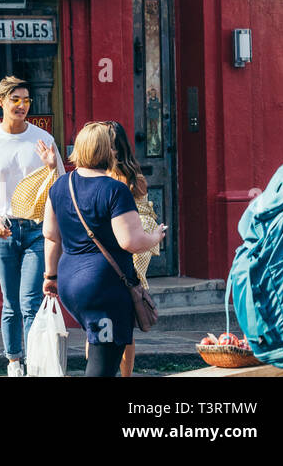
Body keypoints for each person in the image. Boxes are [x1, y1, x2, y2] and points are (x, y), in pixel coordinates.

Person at [43, 121, 167, 378]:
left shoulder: (60, 185)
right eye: (110, 147)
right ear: (105, 151)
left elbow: (51, 237)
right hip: (104, 288)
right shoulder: (115, 190)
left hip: (69, 283)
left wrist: (50, 277)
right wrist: (155, 236)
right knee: (103, 365)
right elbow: (130, 241)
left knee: (99, 347)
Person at [0, 76, 61, 376]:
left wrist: (52, 167)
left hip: (35, 230)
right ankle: (14, 362)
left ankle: (33, 366)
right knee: (10, 303)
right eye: (15, 99)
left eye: (26, 100)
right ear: (1, 102)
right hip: (2, 229)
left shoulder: (42, 139)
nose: (22, 105)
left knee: (29, 301)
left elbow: (58, 188)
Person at [106, 120, 162, 376]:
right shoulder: (107, 174)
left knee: (121, 325)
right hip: (112, 252)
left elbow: (138, 217)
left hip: (126, 254)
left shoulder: (130, 178)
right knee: (105, 327)